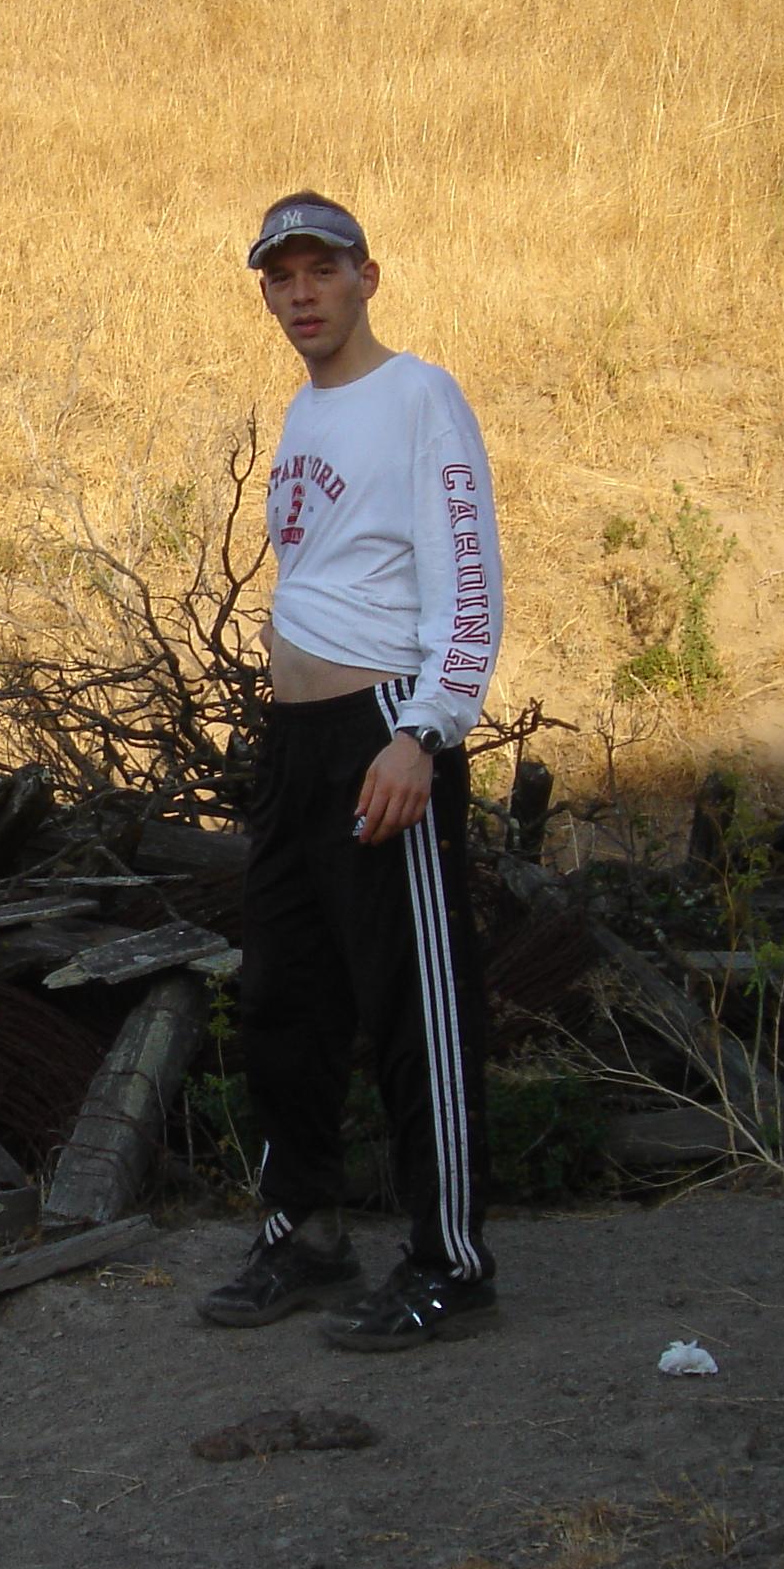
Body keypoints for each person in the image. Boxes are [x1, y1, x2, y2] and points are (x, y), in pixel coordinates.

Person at [198, 190, 505, 1351]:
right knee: (285, 996)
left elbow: (468, 583)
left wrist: (424, 734)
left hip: (384, 734)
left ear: (366, 277)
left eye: (320, 271)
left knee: (416, 1007)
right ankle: (308, 1232)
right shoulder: (305, 411)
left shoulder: (419, 397)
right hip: (297, 745)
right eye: (280, 279)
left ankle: (450, 1263)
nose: (301, 296)